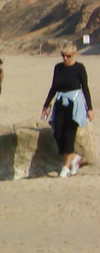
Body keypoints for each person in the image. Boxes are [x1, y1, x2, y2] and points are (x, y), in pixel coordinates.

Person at [40, 43, 92, 177]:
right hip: (60, 103)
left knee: (69, 135)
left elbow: (85, 88)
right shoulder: (58, 68)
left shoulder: (79, 68)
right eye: (63, 56)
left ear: (74, 55)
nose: (65, 59)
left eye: (68, 56)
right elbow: (54, 87)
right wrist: (46, 106)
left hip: (75, 104)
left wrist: (90, 109)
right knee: (58, 133)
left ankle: (65, 167)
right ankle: (74, 158)